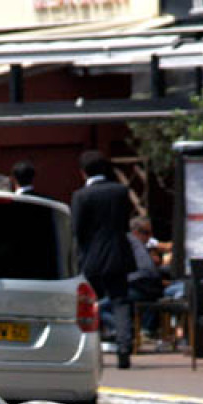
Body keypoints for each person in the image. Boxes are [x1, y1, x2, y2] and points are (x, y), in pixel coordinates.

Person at [71, 150, 135, 369]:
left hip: (92, 259)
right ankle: (124, 348)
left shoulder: (81, 196)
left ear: (82, 172)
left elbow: (77, 231)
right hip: (118, 254)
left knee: (88, 305)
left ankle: (90, 351)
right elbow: (125, 224)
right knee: (120, 302)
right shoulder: (120, 191)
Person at [126, 216, 168, 338]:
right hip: (141, 287)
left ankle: (128, 330)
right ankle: (133, 330)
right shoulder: (131, 243)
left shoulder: (142, 246)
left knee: (102, 307)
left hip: (143, 288)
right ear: (135, 232)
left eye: (150, 233)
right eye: (146, 233)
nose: (149, 236)